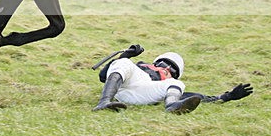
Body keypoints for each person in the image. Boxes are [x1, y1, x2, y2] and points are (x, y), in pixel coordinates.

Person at [92, 44, 253, 114]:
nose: (167, 69)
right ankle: (104, 102)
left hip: (144, 93)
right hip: (121, 90)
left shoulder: (168, 83)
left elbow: (195, 97)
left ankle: (172, 106)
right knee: (123, 62)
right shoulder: (139, 66)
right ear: (156, 62)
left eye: (173, 70)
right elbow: (102, 76)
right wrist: (127, 55)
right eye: (164, 64)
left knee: (177, 85)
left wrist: (226, 97)